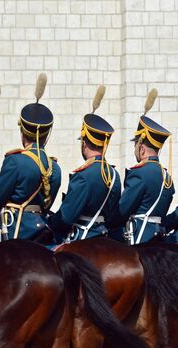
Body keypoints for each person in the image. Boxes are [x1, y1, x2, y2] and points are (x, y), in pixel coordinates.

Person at [0, 75, 61, 244]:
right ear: (46, 134)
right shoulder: (55, 167)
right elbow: (47, 203)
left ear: (22, 131)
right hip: (41, 228)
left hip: (16, 229)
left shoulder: (15, 161)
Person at [49, 88, 121, 242]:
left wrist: (49, 223)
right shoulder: (115, 175)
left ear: (84, 143)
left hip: (82, 238)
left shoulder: (83, 175)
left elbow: (67, 217)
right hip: (105, 237)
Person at [115, 90, 174, 244]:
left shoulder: (140, 173)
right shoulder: (166, 176)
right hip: (159, 238)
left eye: (136, 144)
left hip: (139, 238)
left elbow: (122, 211)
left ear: (141, 148)